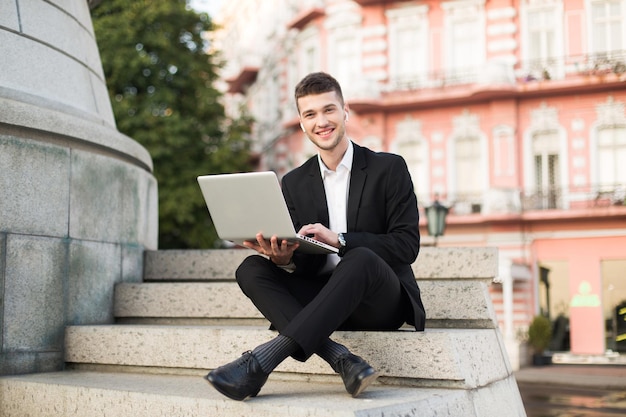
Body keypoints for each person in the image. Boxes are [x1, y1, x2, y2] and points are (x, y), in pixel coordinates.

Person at [205, 71, 426, 401]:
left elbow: (406, 246)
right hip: (324, 298)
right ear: (302, 122)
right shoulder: (294, 182)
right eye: (310, 114)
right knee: (250, 268)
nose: (321, 121)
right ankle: (341, 358)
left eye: (329, 110)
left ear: (345, 111)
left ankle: (259, 363)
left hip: (378, 300)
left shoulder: (389, 168)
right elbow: (303, 262)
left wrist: (340, 240)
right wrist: (285, 258)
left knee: (360, 256)